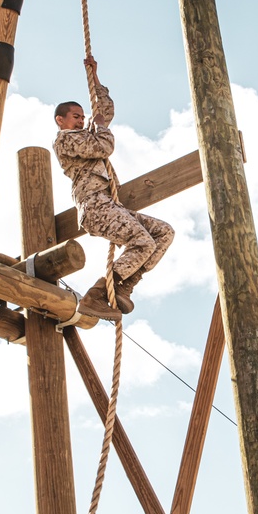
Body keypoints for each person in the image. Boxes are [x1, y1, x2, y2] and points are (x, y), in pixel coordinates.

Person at [53, 58, 174, 320]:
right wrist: (101, 128)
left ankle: (124, 285)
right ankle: (96, 295)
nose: (80, 121)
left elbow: (104, 110)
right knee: (141, 241)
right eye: (76, 117)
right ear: (60, 120)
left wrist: (94, 77)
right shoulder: (66, 140)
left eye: (82, 117)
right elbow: (103, 147)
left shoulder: (86, 133)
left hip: (110, 204)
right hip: (95, 205)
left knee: (162, 233)